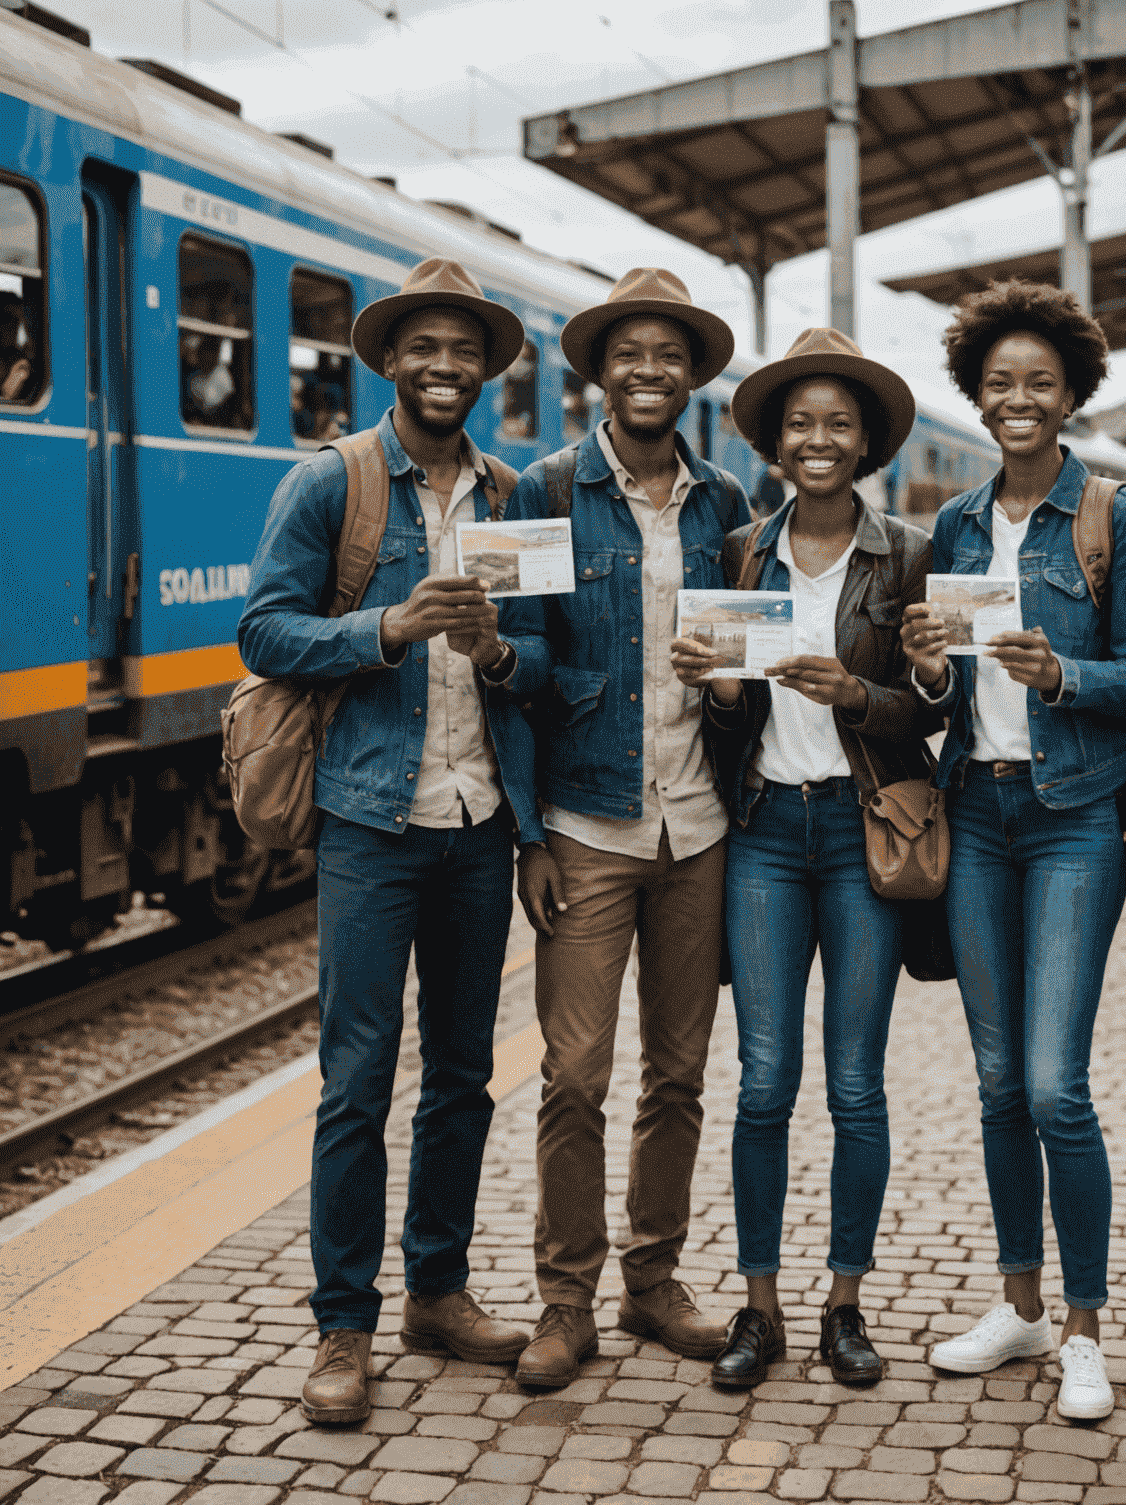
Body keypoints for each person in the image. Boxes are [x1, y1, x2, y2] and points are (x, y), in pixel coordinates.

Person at [238, 259, 548, 1425]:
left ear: (487, 369)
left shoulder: (515, 497)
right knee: (357, 1082)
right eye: (423, 347)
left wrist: (503, 657)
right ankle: (341, 1327)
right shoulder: (335, 485)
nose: (443, 366)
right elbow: (264, 630)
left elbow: (543, 666)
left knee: (462, 1079)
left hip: (478, 827)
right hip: (372, 821)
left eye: (462, 350)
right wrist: (388, 627)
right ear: (390, 362)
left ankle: (439, 1291)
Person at [899, 280, 1126, 1419]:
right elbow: (940, 699)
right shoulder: (957, 527)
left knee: (1058, 1084)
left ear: (1071, 394)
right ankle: (1017, 1306)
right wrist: (925, 663)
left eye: (1039, 383)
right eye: (999, 382)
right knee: (1000, 1081)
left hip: (1073, 817)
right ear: (978, 392)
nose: (1019, 400)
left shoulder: (1122, 517)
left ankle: (1085, 1328)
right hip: (978, 814)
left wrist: (1064, 674)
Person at [673, 328, 934, 1390]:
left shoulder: (910, 554)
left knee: (857, 1086)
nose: (818, 440)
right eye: (799, 424)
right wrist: (727, 692)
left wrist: (857, 694)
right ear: (774, 443)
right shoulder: (742, 553)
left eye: (838, 423)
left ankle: (845, 1304)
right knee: (766, 1082)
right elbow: (722, 724)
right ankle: (760, 1307)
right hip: (769, 836)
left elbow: (932, 708)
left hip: (865, 829)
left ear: (865, 440)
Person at [507, 269, 751, 1387]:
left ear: (693, 377)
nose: (649, 372)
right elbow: (510, 674)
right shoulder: (544, 494)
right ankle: (566, 1301)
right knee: (573, 1076)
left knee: (682, 1074)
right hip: (589, 827)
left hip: (698, 829)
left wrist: (736, 688)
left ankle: (653, 1285)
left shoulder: (728, 506)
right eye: (629, 354)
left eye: (670, 356)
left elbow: (749, 678)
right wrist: (525, 832)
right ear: (600, 371)